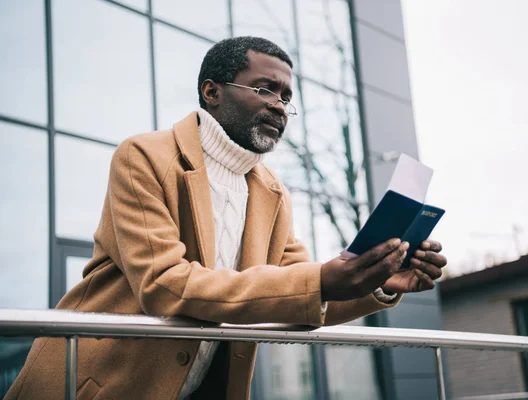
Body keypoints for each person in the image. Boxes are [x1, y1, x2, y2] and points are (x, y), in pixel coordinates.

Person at [6, 36, 446, 400]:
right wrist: (319, 281)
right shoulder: (143, 157)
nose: (279, 105)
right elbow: (163, 284)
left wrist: (379, 283)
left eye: (287, 98)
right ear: (211, 91)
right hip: (92, 388)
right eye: (265, 89)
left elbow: (301, 300)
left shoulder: (273, 194)